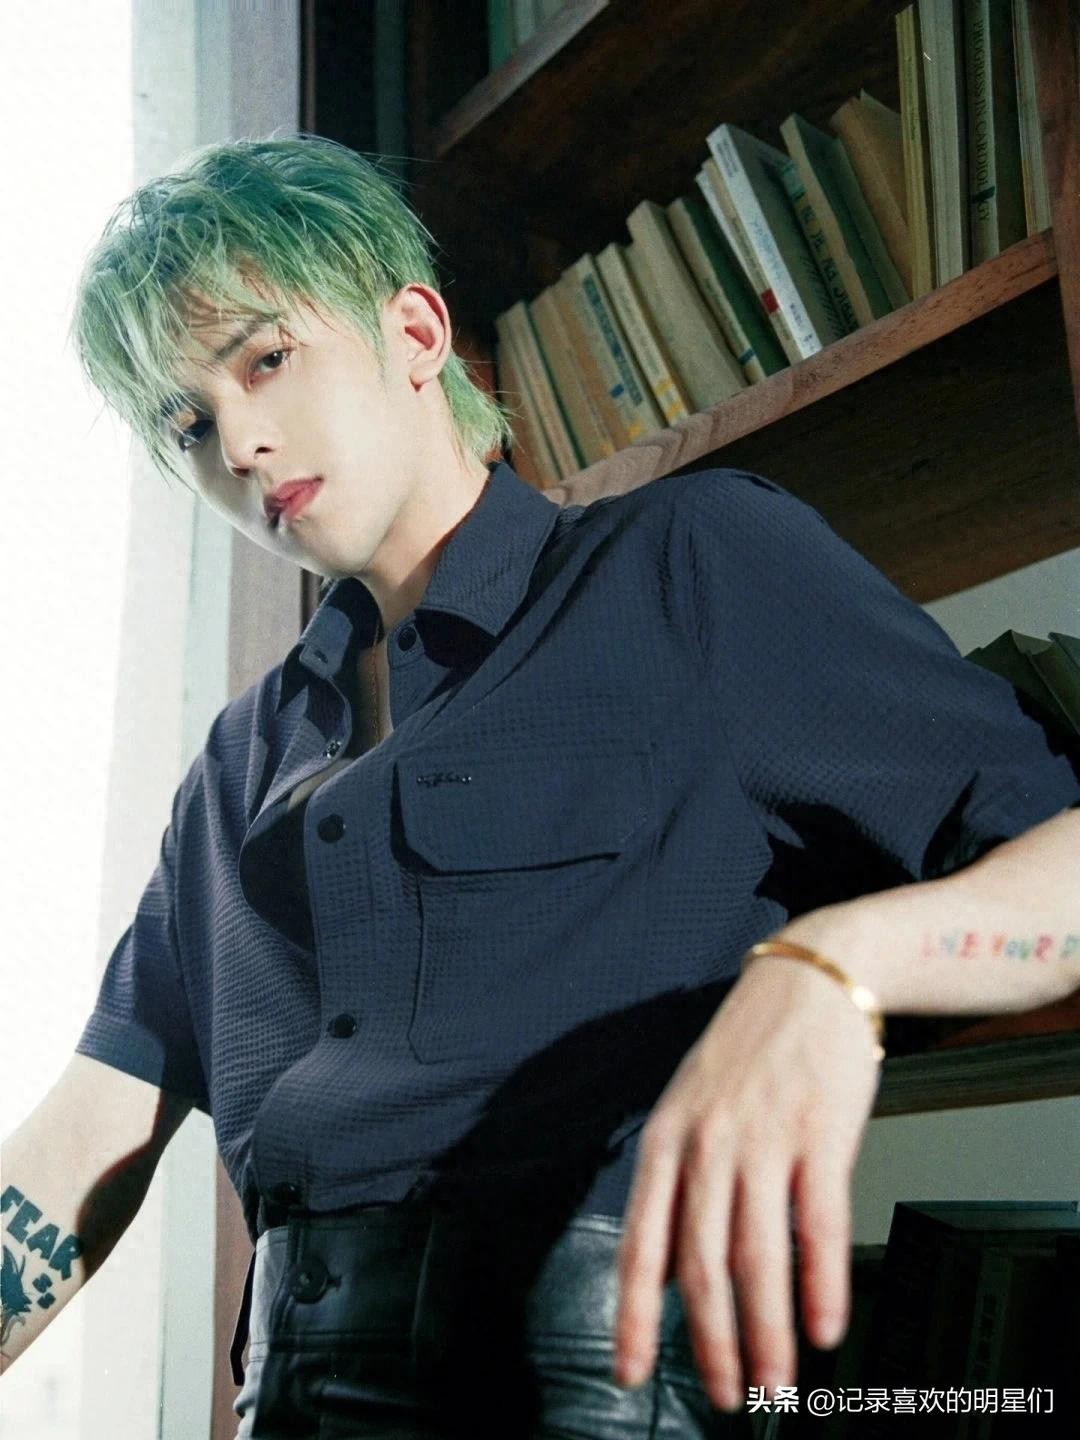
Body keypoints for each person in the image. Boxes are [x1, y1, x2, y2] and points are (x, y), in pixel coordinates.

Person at [1, 132, 1078, 1438]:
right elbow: (81, 1144)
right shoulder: (235, 767)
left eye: (265, 359)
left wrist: (832, 966)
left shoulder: (691, 567)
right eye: (186, 422)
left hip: (603, 1396)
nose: (238, 438)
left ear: (414, 333)